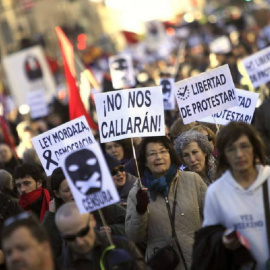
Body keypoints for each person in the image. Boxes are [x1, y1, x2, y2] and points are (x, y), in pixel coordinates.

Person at [125, 136, 206, 269]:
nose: (158, 157)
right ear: (145, 161)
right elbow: (134, 237)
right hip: (164, 264)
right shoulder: (137, 192)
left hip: (200, 260)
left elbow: (214, 217)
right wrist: (140, 211)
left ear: (170, 154)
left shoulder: (193, 180)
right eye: (152, 153)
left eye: (163, 151)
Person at [203, 121, 270, 269]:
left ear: (254, 147)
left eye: (244, 146)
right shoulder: (216, 192)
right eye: (231, 149)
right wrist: (223, 240)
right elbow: (208, 239)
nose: (239, 154)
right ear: (224, 155)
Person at [43, 167, 126, 258]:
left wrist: (113, 229)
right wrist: (51, 215)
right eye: (67, 190)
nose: (74, 193)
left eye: (77, 187)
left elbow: (130, 223)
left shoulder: (98, 203)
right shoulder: (54, 217)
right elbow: (47, 250)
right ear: (57, 193)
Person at [55, 201, 146, 270]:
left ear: (92, 220)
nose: (79, 242)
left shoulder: (122, 246)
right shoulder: (61, 266)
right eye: (70, 238)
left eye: (83, 232)